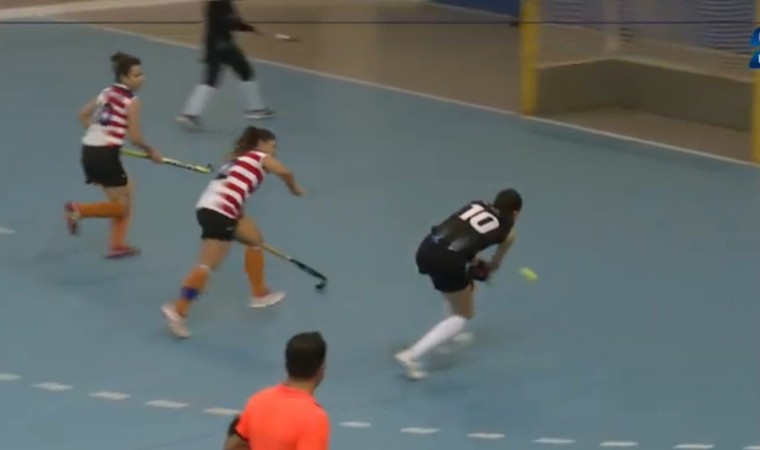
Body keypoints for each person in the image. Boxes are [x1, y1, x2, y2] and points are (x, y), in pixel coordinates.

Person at [161, 126, 304, 339]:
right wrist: (294, 188)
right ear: (261, 144)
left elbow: (233, 190)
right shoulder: (259, 156)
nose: (274, 152)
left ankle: (259, 293)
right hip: (220, 211)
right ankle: (179, 310)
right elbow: (285, 172)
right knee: (207, 265)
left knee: (254, 239)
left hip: (213, 209)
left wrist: (238, 213)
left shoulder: (236, 161)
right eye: (273, 146)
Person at [395, 189, 523, 380]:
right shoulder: (509, 232)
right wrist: (486, 269)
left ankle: (450, 332)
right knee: (463, 315)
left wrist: (474, 262)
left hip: (427, 248)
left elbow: (460, 238)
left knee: (464, 289)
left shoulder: (477, 205)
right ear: (515, 212)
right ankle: (411, 355)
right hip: (447, 261)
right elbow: (494, 265)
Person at [65, 54, 162, 259]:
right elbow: (135, 137)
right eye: (136, 75)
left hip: (89, 151)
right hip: (106, 155)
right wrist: (151, 152)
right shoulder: (132, 101)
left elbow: (82, 114)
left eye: (142, 74)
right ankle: (78, 210)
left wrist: (98, 134)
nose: (142, 78)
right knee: (122, 206)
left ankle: (117, 245)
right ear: (124, 78)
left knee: (126, 192)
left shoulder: (107, 92)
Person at [176, 0, 275, 129]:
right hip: (219, 47)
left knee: (244, 72)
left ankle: (256, 108)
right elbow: (228, 23)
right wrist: (246, 28)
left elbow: (233, 22)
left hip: (223, 45)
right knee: (214, 79)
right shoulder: (218, 4)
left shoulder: (223, 3)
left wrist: (249, 28)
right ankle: (190, 114)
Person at [223, 331, 330, 450]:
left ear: (287, 364)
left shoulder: (257, 401)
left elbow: (232, 446)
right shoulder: (314, 418)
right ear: (321, 368)